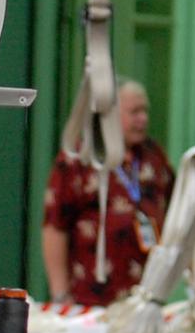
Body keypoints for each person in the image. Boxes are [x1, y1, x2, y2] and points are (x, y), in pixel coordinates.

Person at [42, 79, 174, 307]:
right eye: (135, 112)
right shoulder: (79, 159)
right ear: (110, 115)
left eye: (145, 111)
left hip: (145, 299)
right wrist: (60, 294)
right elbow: (55, 227)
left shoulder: (154, 156)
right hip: (89, 298)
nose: (143, 119)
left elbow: (177, 215)